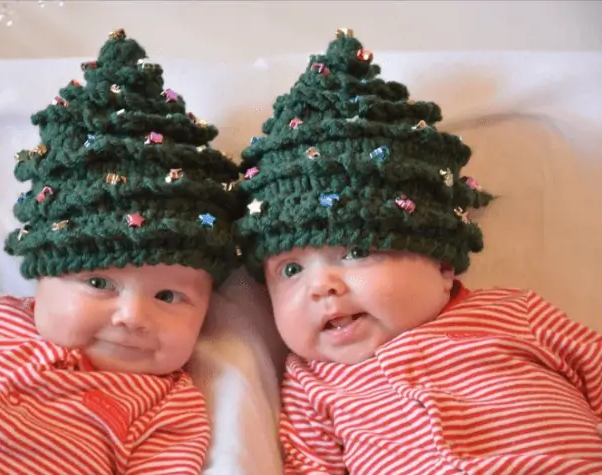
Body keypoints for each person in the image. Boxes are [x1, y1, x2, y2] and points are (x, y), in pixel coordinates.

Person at [234, 28, 602, 474]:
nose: (321, 286)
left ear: (442, 265)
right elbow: (309, 465)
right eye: (290, 269)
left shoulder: (513, 314)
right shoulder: (311, 382)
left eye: (356, 251)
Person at [0, 29, 241, 474]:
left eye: (167, 296)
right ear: (41, 278)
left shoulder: (167, 404)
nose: (131, 315)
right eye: (97, 283)